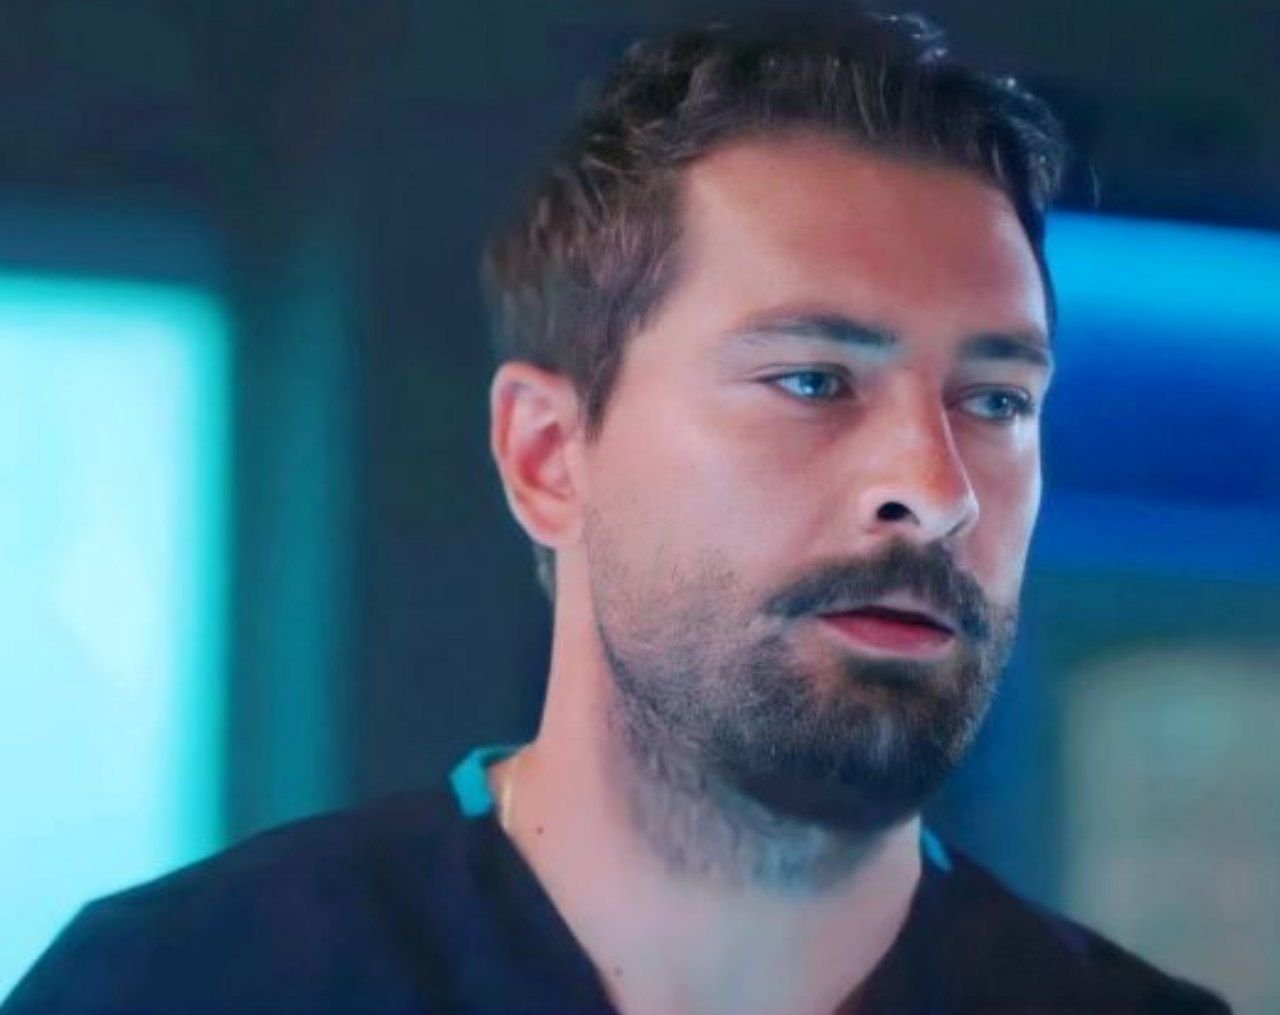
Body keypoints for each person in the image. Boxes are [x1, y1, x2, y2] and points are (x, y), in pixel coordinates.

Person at [6, 8, 1231, 1014]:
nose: (938, 488)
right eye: (812, 380)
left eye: (994, 400)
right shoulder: (181, 985)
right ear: (547, 456)